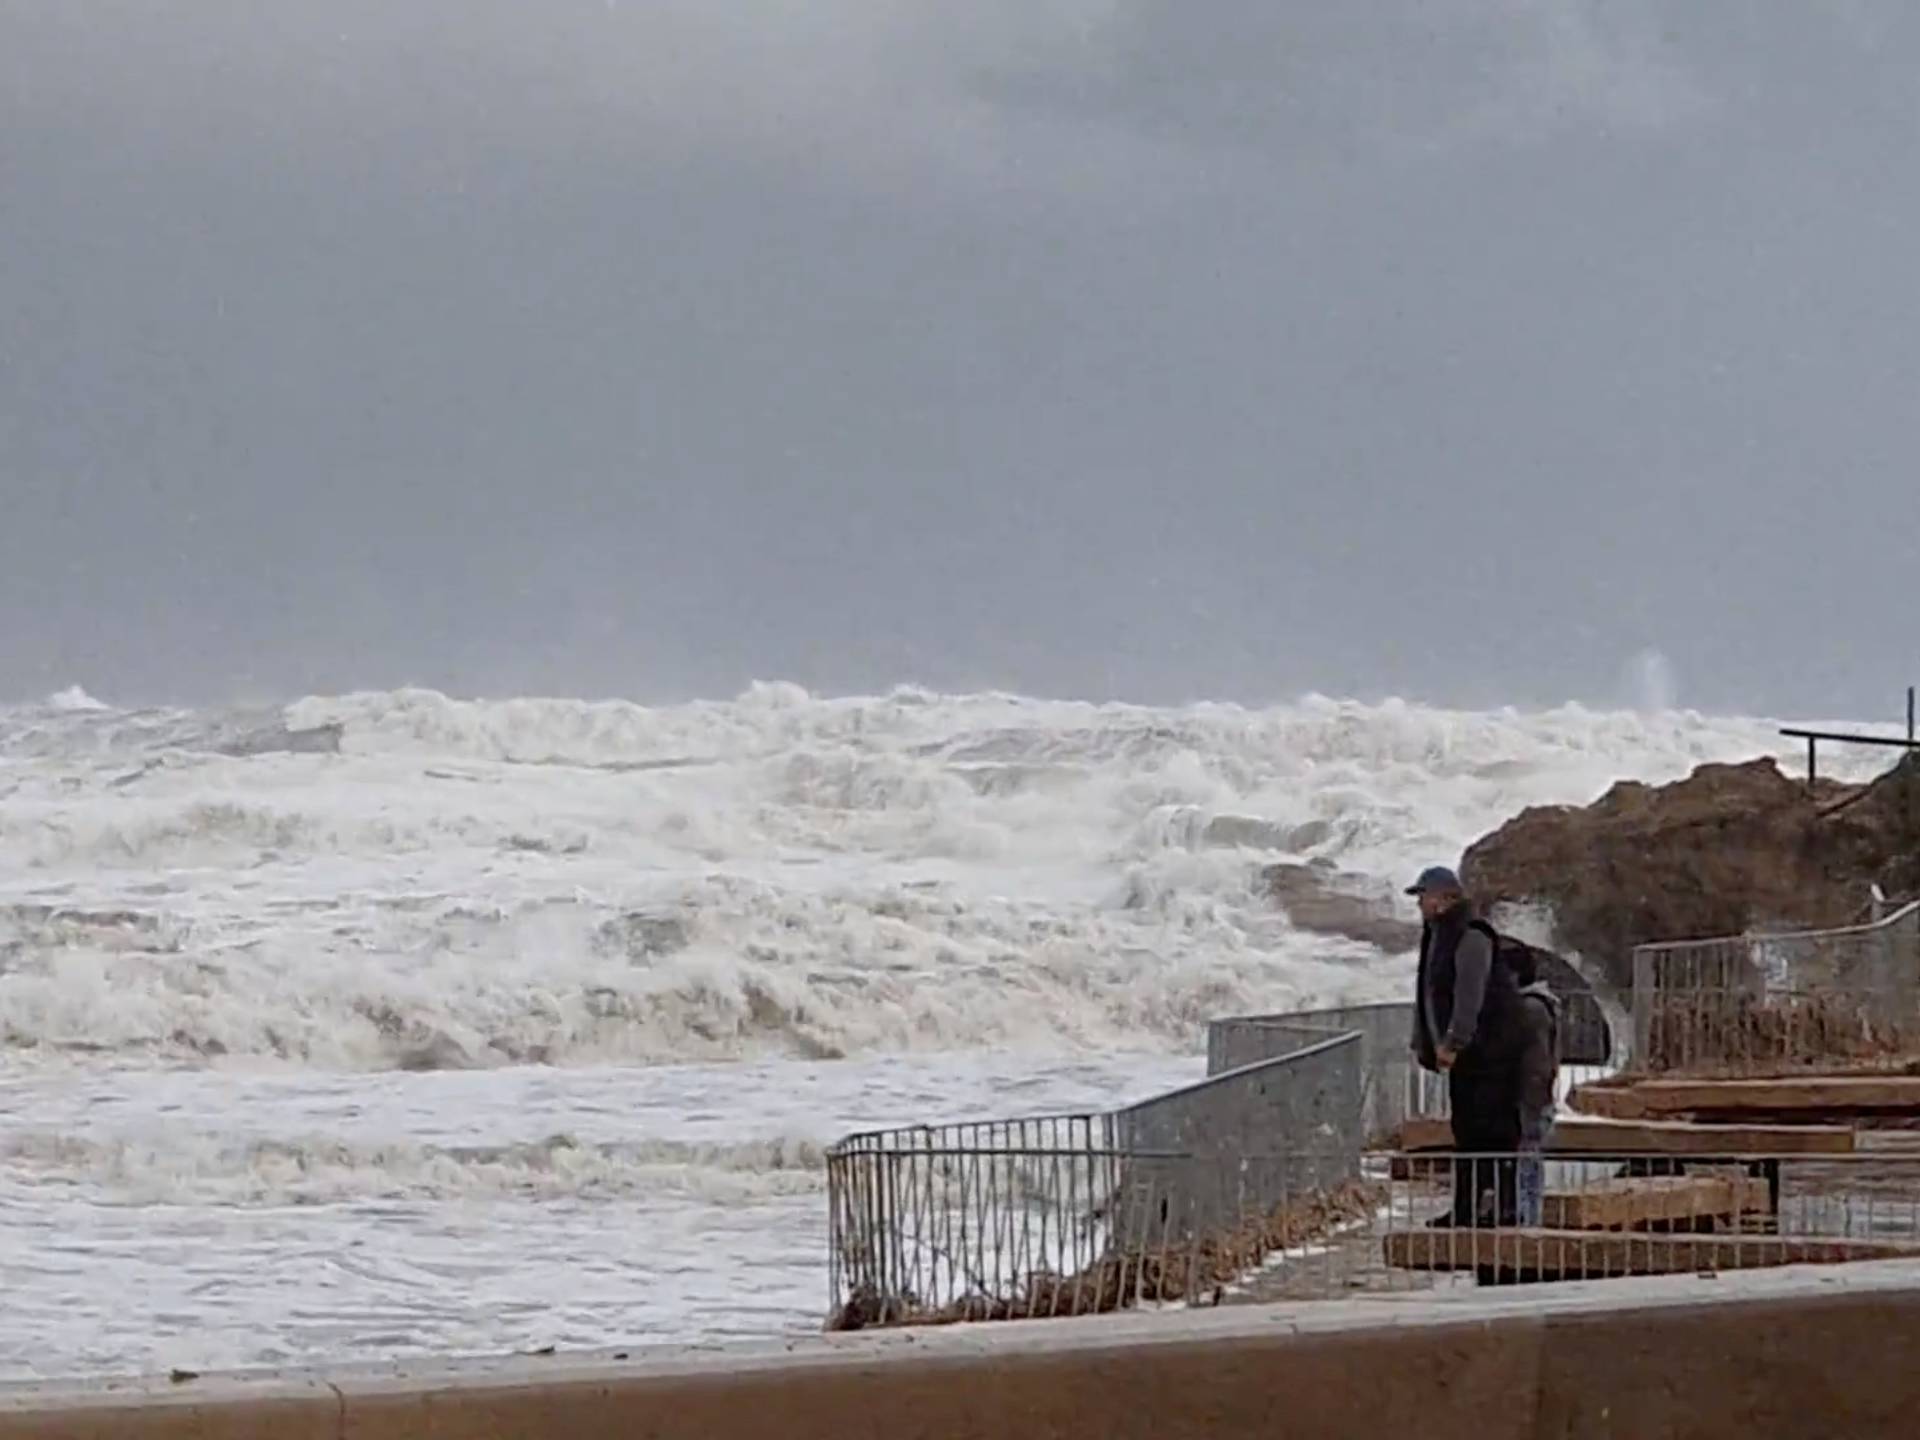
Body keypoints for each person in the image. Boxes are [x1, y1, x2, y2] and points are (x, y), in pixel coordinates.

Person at [1406, 865, 1523, 1227]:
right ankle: (1467, 1208)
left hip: (1490, 1053)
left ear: (1445, 899)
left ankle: (1502, 1207)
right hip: (1470, 1057)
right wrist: (1424, 1041)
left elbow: (1468, 995)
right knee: (1468, 1131)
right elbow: (1431, 993)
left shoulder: (1470, 935)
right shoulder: (1440, 934)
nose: (1420, 904)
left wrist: (1454, 1041)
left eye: (1424, 896)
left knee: (1495, 1131)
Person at [1508, 943, 1561, 1227]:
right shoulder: (1539, 1006)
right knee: (1528, 1164)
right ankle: (1529, 1220)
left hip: (1531, 1102)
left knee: (1527, 1165)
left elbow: (1537, 1064)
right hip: (1536, 1100)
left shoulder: (1529, 1010)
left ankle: (1529, 1223)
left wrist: (1529, 1103)